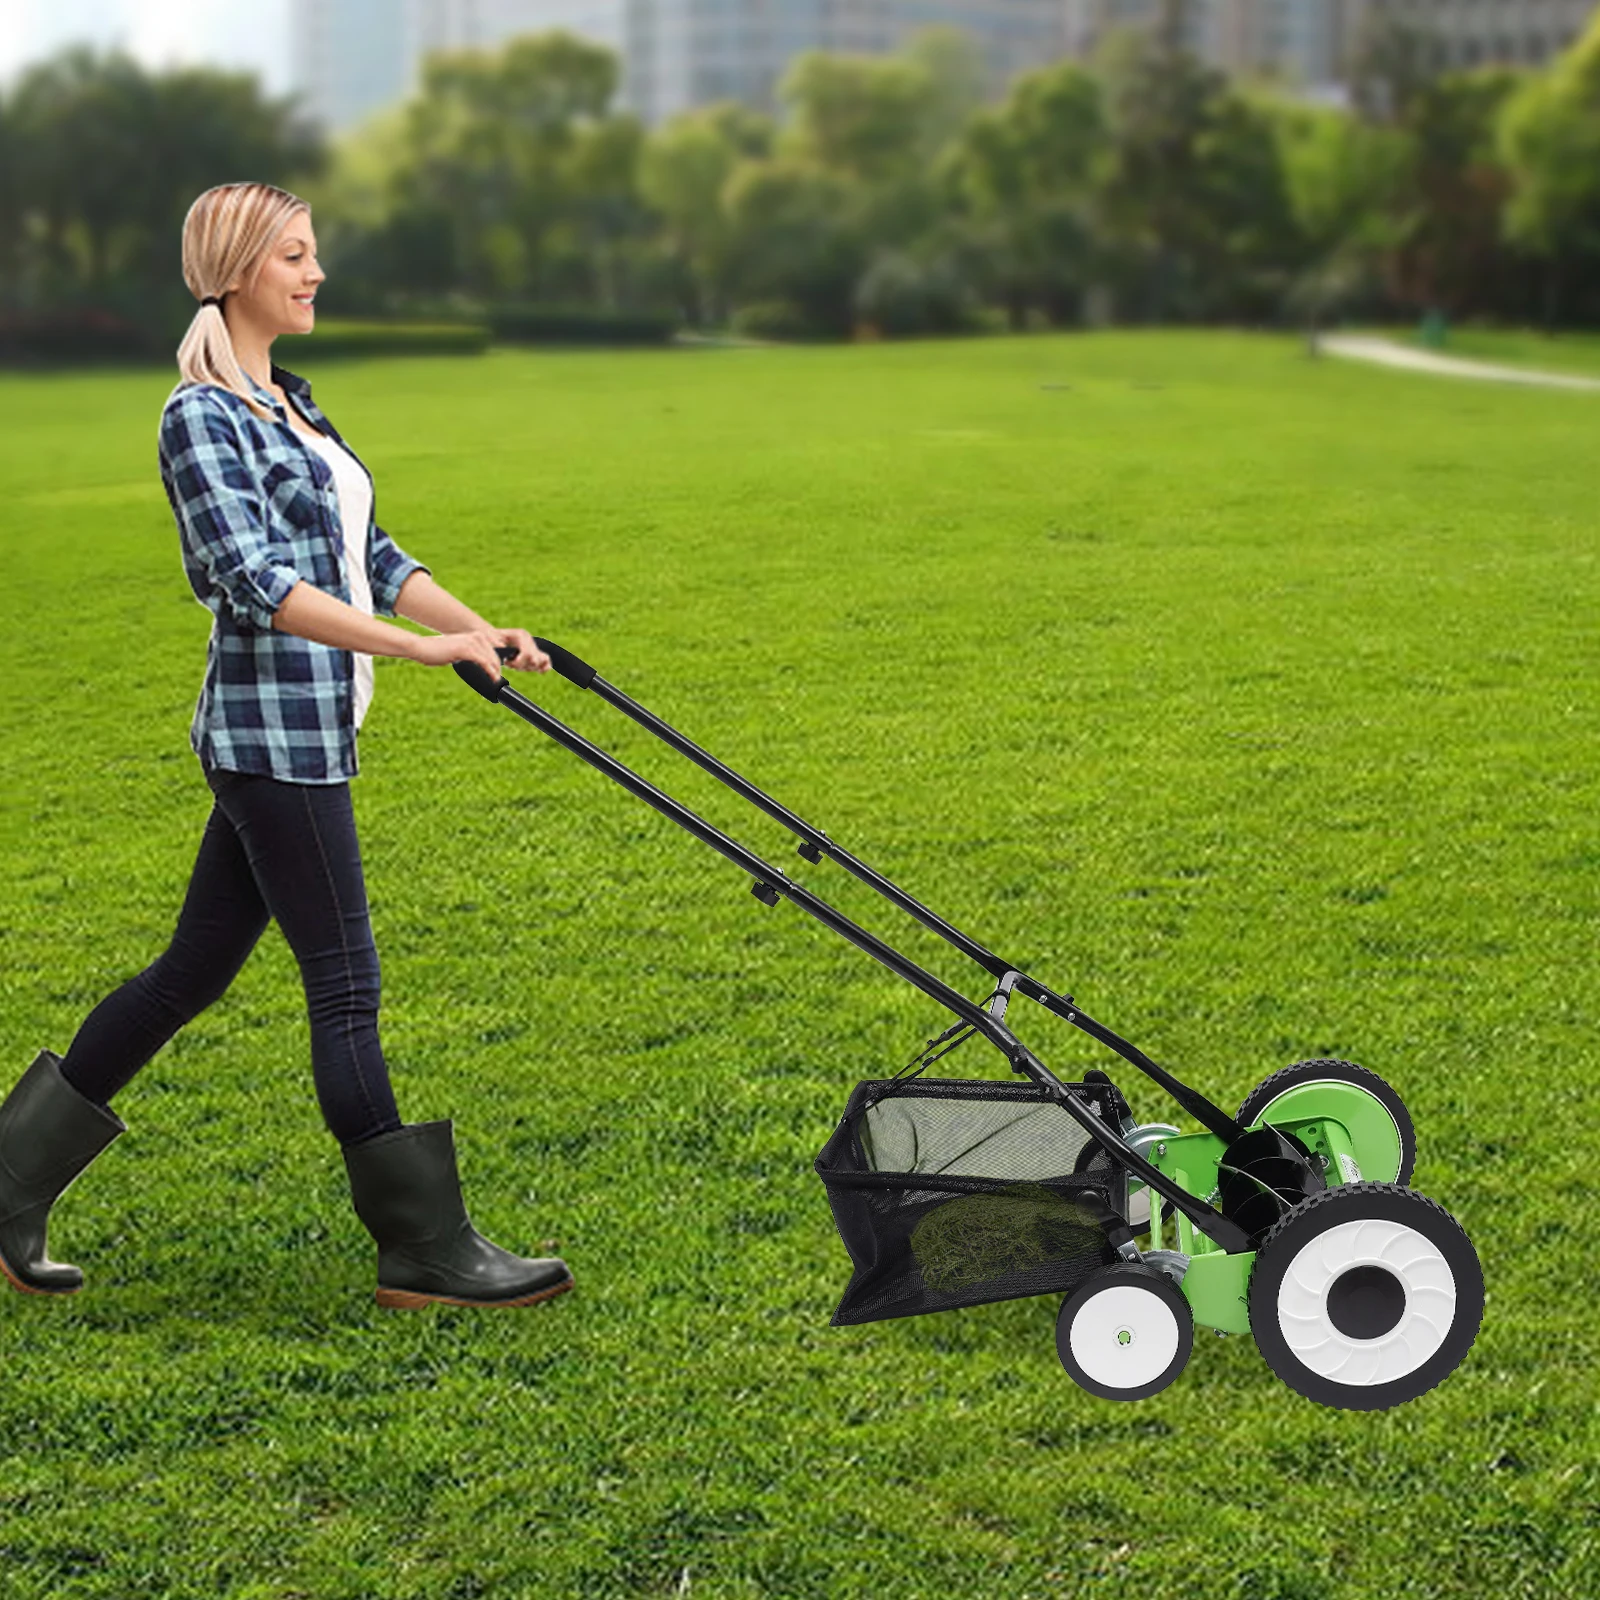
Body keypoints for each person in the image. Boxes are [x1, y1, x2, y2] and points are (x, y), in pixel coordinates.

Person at [0, 182, 573, 1311]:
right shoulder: (200, 415)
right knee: (346, 988)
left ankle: (4, 1182)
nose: (314, 274)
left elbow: (375, 549)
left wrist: (467, 624)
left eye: (315, 254)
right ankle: (422, 1248)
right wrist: (414, 652)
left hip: (308, 733)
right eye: (294, 256)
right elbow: (253, 582)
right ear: (236, 268)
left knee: (185, 975)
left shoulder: (293, 404)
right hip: (275, 742)